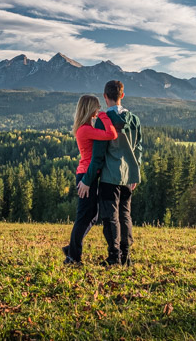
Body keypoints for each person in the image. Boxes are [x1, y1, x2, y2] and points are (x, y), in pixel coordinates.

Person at [78, 80, 142, 266]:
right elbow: (138, 149)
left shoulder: (102, 121)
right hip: (128, 177)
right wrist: (134, 173)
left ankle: (114, 257)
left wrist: (87, 180)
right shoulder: (135, 120)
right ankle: (126, 257)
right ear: (122, 95)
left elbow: (97, 156)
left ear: (105, 97)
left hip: (109, 177)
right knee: (125, 215)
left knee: (110, 217)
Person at [63, 95, 118, 265]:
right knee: (83, 217)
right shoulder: (85, 129)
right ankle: (73, 256)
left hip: (88, 175)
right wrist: (104, 116)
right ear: (89, 109)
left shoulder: (85, 128)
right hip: (87, 176)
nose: (98, 110)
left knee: (92, 216)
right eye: (96, 107)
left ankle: (72, 248)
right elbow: (112, 134)